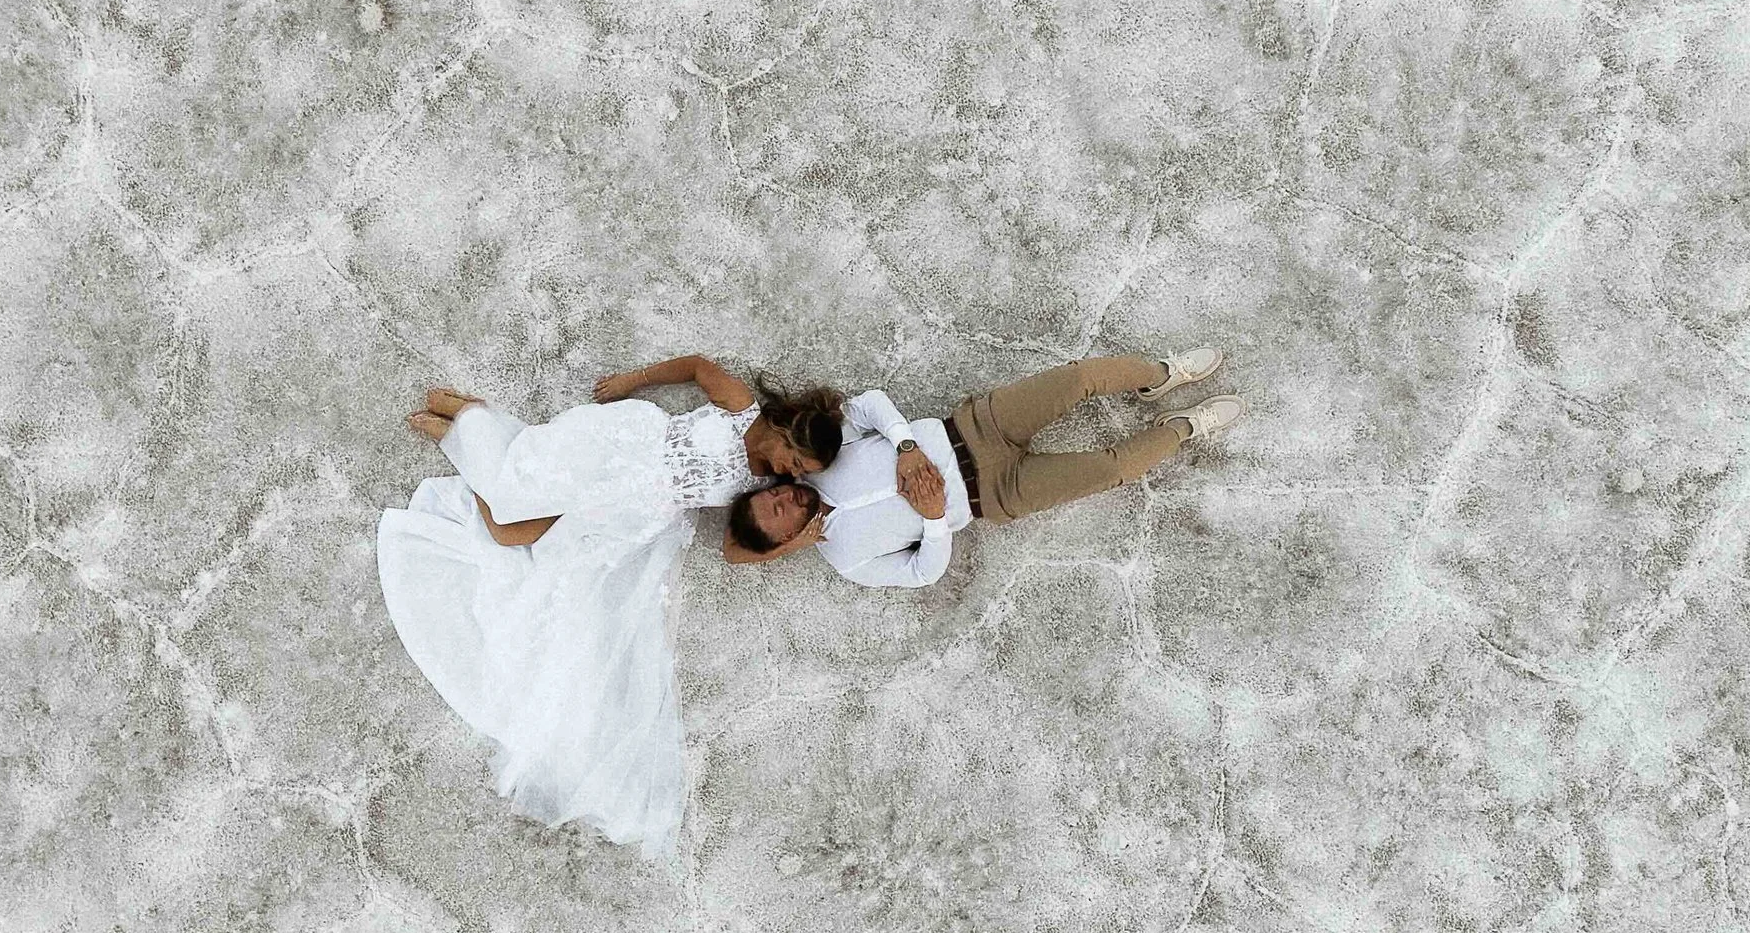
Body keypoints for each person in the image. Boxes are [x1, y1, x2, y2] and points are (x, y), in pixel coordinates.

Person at [375, 356, 841, 857]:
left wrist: (791, 545)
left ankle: (467, 442)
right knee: (524, 483)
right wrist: (631, 381)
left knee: (510, 533)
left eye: (801, 474)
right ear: (788, 432)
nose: (793, 475)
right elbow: (697, 367)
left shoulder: (761, 487)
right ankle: (468, 421)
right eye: (798, 463)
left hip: (636, 510)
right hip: (629, 449)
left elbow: (733, 551)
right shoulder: (740, 408)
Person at [725, 352, 1242, 587]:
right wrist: (933, 516)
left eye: (773, 495)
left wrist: (906, 446)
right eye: (780, 513)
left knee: (1079, 378)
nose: (785, 498)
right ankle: (1184, 427)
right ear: (786, 539)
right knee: (1112, 469)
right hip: (996, 494)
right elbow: (922, 573)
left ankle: (1161, 374)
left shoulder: (815, 462)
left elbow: (867, 405)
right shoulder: (848, 560)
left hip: (975, 427)